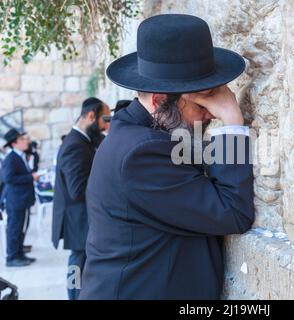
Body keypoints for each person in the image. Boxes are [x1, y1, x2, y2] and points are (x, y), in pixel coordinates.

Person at [79, 14, 254, 300]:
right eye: (202, 100)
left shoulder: (142, 135)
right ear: (160, 100)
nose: (212, 111)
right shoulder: (140, 153)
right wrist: (233, 124)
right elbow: (233, 212)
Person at [52, 97, 110, 300]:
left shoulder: (83, 140)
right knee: (77, 264)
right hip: (77, 219)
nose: (106, 125)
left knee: (79, 262)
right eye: (105, 119)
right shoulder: (75, 145)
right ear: (91, 116)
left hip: (81, 217)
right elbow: (77, 189)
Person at [1, 129, 39, 267]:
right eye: (22, 140)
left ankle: (19, 253)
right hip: (16, 200)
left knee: (22, 227)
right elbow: (8, 178)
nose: (26, 142)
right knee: (14, 229)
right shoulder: (11, 158)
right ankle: (12, 257)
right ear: (15, 143)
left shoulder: (20, 156)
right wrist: (31, 177)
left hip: (23, 199)